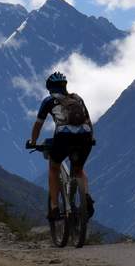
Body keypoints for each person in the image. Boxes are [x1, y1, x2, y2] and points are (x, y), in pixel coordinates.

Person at [26, 71, 95, 218]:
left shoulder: (49, 101)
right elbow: (88, 121)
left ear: (50, 88)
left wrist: (33, 142)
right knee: (79, 169)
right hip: (85, 137)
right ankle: (86, 195)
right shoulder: (78, 99)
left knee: (54, 167)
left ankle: (55, 207)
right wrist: (91, 138)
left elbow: (38, 125)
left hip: (63, 137)